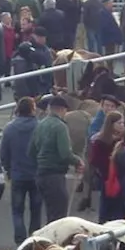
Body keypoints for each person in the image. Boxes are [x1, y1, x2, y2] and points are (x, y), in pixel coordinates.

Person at [28, 96, 84, 224]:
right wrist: (77, 161)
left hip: (41, 175)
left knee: (50, 212)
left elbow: (31, 151)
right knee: (59, 217)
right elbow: (65, 153)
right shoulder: (60, 127)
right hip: (54, 175)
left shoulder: (40, 125)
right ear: (62, 109)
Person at [0, 97, 42, 244]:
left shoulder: (10, 128)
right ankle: (34, 239)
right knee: (36, 210)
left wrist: (8, 169)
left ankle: (20, 240)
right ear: (32, 109)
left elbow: (3, 153)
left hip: (17, 175)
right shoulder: (39, 126)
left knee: (17, 211)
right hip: (36, 174)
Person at [88, 111, 125, 222]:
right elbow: (95, 160)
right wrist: (110, 162)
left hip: (121, 178)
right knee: (107, 208)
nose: (122, 125)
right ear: (111, 124)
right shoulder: (100, 141)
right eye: (119, 123)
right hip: (107, 178)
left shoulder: (123, 139)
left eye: (123, 123)